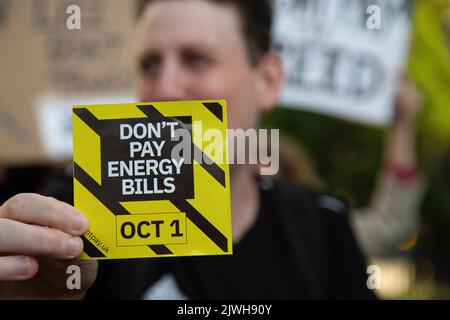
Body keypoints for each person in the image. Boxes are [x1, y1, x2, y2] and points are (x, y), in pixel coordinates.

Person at [0, 0, 375, 299]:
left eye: (196, 59)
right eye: (150, 65)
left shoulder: (322, 228)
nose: (165, 90)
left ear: (267, 80)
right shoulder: (75, 216)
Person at [274, 76, 425, 257]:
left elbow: (389, 224)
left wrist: (402, 126)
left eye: (274, 183)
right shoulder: (232, 238)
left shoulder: (317, 233)